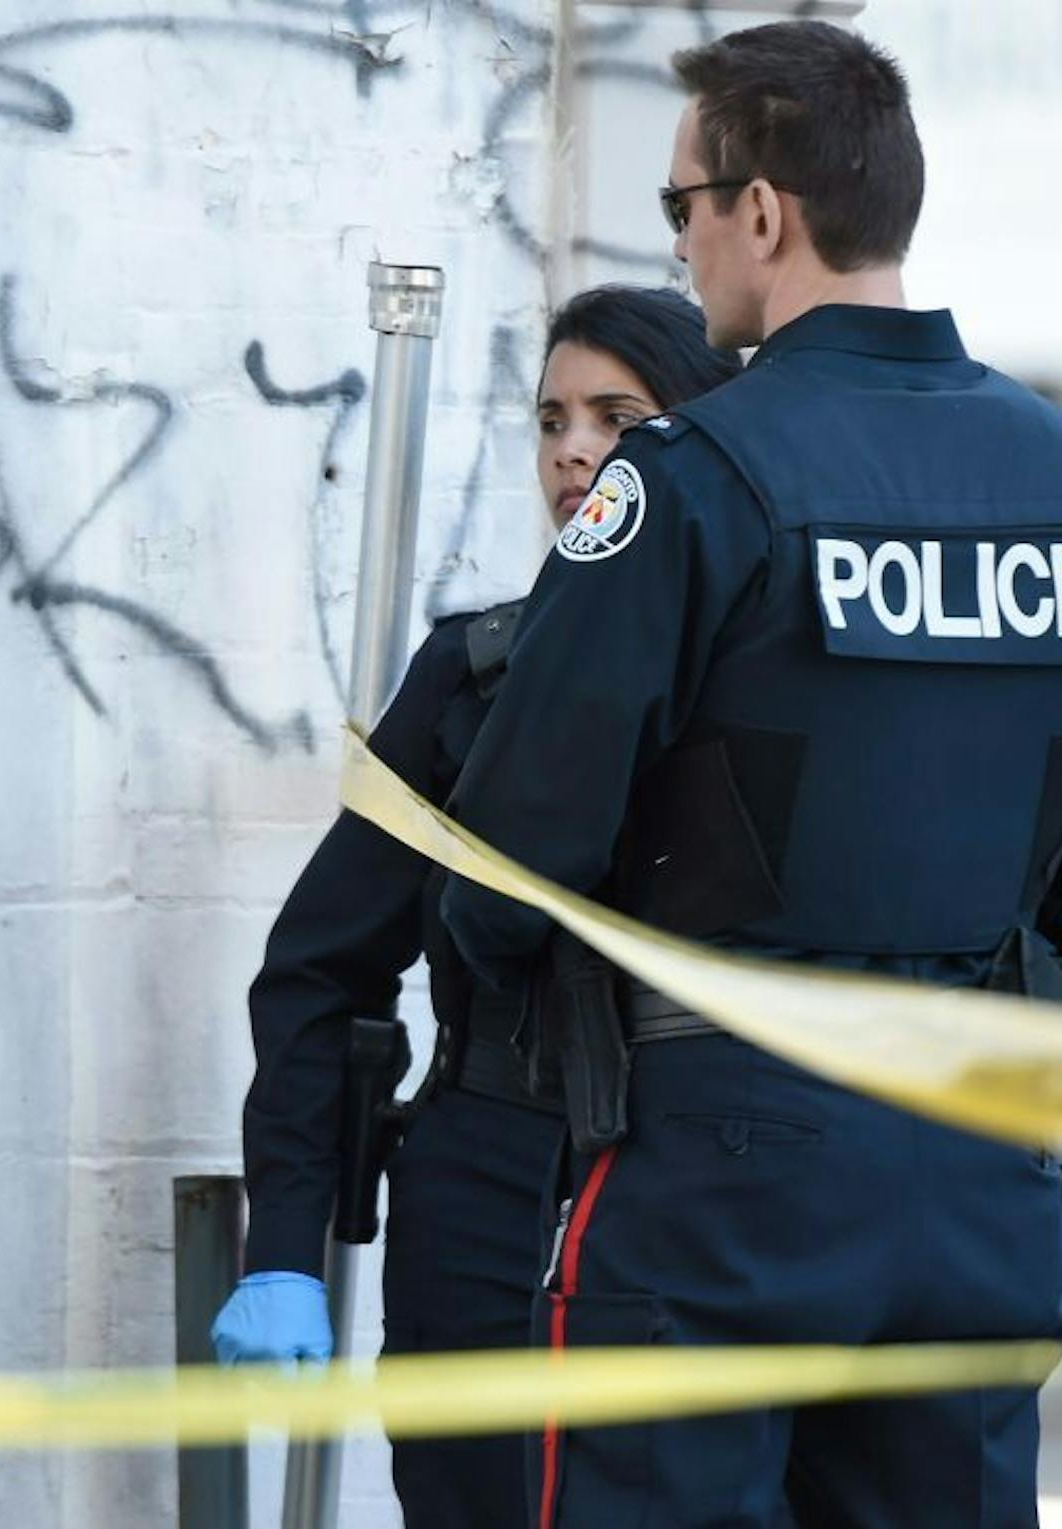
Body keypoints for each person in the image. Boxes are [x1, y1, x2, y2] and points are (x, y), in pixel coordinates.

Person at [437, 22, 1062, 1528]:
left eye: (682, 206)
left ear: (762, 211)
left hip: (723, 1154)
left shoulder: (696, 479)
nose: (683, 244)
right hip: (983, 1141)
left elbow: (515, 850)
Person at [212, 289, 741, 1525]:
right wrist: (284, 1242)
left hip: (706, 1184)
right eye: (551, 418)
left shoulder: (768, 686)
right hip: (491, 1184)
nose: (571, 450)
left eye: (619, 417)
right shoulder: (475, 669)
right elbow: (320, 966)